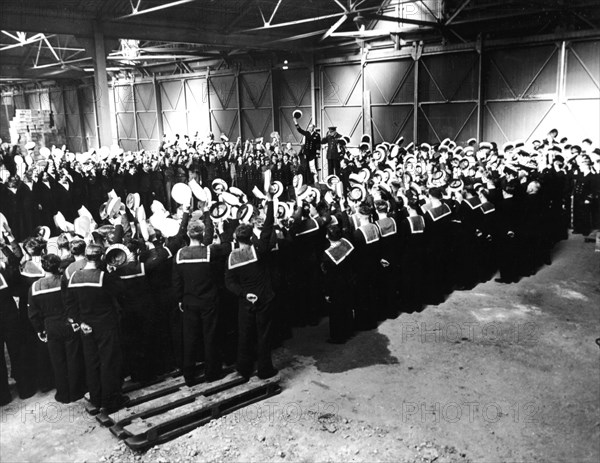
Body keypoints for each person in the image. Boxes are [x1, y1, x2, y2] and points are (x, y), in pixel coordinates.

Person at [65, 244, 128, 413]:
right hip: (106, 324)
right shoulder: (103, 277)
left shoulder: (74, 277)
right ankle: (111, 400)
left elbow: (70, 304)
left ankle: (96, 398)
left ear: (85, 257)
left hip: (86, 325)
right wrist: (111, 272)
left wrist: (80, 322)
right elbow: (120, 291)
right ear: (101, 258)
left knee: (92, 361)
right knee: (109, 361)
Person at [173, 219, 232, 385]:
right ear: (203, 234)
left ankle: (189, 376)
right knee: (210, 336)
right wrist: (220, 229)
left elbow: (176, 281)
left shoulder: (179, 255)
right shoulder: (209, 252)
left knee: (190, 338)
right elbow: (227, 247)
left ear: (188, 235)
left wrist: (179, 299)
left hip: (189, 302)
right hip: (209, 301)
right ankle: (212, 373)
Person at [225, 198, 278, 380]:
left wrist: (244, 294)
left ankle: (244, 368)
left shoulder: (231, 258)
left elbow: (229, 282)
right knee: (264, 335)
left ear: (236, 238)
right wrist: (270, 203)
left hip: (245, 301)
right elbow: (268, 228)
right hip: (264, 298)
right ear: (250, 237)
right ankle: (265, 370)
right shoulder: (259, 250)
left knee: (245, 336)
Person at [28, 254, 85, 404]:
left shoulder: (35, 287)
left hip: (50, 326)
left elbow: (33, 313)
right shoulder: (64, 281)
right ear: (58, 266)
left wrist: (40, 330)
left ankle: (63, 394)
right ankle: (76, 392)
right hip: (68, 323)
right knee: (73, 357)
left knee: (57, 361)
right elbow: (73, 302)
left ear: (42, 266)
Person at [293, 118, 321, 185]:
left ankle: (314, 180)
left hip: (313, 154)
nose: (309, 128)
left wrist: (317, 153)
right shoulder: (306, 133)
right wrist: (296, 123)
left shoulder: (317, 135)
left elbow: (318, 144)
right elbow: (300, 130)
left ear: (313, 128)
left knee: (313, 166)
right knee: (306, 167)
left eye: (311, 127)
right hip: (306, 153)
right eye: (309, 127)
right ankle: (307, 181)